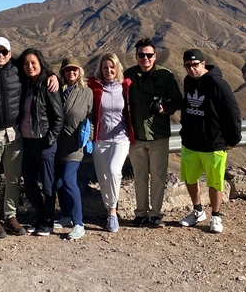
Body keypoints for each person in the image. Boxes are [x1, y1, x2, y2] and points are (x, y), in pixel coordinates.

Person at [0, 37, 58, 238]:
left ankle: (10, 217)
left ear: (10, 54)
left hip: (14, 134)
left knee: (14, 179)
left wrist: (53, 75)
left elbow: (36, 72)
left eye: (4, 52)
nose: (0, 56)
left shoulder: (17, 71)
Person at [177, 49, 242, 233]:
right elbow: (187, 107)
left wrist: (233, 139)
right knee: (190, 179)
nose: (192, 69)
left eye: (195, 65)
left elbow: (232, 111)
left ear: (203, 64)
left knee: (215, 182)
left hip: (213, 142)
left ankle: (216, 216)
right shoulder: (188, 81)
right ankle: (198, 211)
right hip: (191, 141)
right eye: (188, 66)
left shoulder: (217, 83)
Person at [125, 38, 181, 228]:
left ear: (155, 56)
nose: (145, 58)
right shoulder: (128, 75)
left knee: (158, 176)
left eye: (149, 55)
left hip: (159, 134)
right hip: (136, 134)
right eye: (142, 55)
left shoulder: (166, 76)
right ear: (136, 56)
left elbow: (177, 101)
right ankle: (141, 213)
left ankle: (156, 213)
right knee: (139, 177)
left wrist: (164, 109)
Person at [18, 48, 64, 236]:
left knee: (47, 185)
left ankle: (48, 221)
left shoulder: (48, 85)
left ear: (40, 63)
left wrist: (50, 140)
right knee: (29, 185)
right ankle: (40, 216)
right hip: (27, 143)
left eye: (33, 63)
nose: (30, 66)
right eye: (26, 63)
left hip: (44, 142)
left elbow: (58, 117)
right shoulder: (25, 84)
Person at [88, 53, 134, 233]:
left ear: (118, 68)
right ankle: (109, 210)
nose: (108, 70)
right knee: (103, 177)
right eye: (105, 67)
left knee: (114, 171)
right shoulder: (94, 85)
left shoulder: (126, 85)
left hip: (121, 138)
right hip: (100, 139)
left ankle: (112, 212)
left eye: (112, 67)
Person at [54, 57, 92, 240]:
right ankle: (66, 215)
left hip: (75, 146)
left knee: (68, 181)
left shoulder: (87, 92)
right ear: (63, 72)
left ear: (79, 71)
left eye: (74, 69)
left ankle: (79, 223)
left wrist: (89, 139)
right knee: (59, 183)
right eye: (68, 70)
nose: (71, 73)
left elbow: (92, 118)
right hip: (57, 145)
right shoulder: (57, 91)